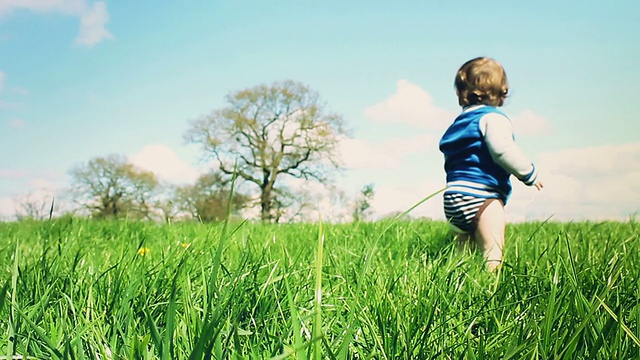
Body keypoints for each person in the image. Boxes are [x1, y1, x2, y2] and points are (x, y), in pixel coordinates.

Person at [439, 57, 543, 271]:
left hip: (453, 198)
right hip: (483, 196)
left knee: (461, 257)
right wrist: (528, 174)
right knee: (492, 249)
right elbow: (503, 150)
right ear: (503, 92)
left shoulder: (458, 124)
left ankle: (456, 288)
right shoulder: (492, 119)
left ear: (460, 92)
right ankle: (490, 288)